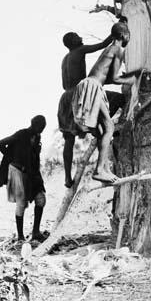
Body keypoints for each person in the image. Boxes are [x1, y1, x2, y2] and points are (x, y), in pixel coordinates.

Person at [72, 21, 141, 184]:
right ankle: (98, 170)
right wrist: (134, 78)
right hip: (93, 86)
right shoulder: (118, 49)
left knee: (104, 129)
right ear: (125, 36)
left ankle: (104, 169)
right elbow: (116, 78)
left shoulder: (109, 49)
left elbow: (108, 77)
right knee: (109, 127)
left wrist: (130, 75)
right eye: (128, 35)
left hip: (89, 85)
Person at [57, 30, 125, 187]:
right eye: (76, 36)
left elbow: (63, 84)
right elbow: (102, 45)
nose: (80, 37)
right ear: (73, 41)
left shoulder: (64, 59)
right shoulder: (79, 50)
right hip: (79, 93)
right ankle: (106, 129)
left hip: (65, 97)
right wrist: (116, 33)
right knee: (119, 99)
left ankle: (67, 177)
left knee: (68, 138)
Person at [0, 115, 47, 243]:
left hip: (31, 172)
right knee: (21, 202)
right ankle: (20, 236)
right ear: (34, 125)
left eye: (43, 128)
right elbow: (0, 143)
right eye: (40, 127)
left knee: (41, 199)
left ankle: (35, 232)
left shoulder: (37, 137)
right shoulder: (21, 134)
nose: (41, 130)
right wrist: (11, 157)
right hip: (16, 171)